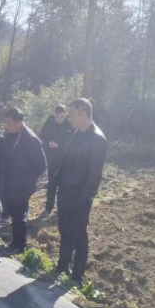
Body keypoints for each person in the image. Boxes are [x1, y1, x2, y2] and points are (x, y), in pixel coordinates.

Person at [55, 98, 108, 286]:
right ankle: (62, 266)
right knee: (65, 230)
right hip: (66, 192)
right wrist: (57, 180)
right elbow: (67, 160)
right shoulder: (77, 132)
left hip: (80, 196)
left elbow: (94, 175)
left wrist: (83, 198)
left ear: (83, 114)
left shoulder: (97, 139)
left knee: (78, 234)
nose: (68, 118)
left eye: (71, 115)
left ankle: (77, 276)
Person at [2, 108, 47, 252]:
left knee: (19, 213)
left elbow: (41, 165)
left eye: (9, 122)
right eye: (5, 122)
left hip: (23, 185)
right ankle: (16, 241)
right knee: (12, 211)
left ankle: (19, 244)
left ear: (19, 122)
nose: (6, 126)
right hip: (10, 181)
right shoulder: (9, 134)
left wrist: (26, 180)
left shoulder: (31, 140)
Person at [39, 104, 74, 215]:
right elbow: (41, 138)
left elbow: (74, 143)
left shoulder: (71, 123)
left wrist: (61, 146)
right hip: (52, 158)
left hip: (66, 159)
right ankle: (48, 208)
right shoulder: (49, 121)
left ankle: (62, 208)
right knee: (52, 183)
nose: (59, 119)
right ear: (54, 115)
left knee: (65, 184)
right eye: (57, 117)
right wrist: (48, 144)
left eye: (62, 117)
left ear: (66, 115)